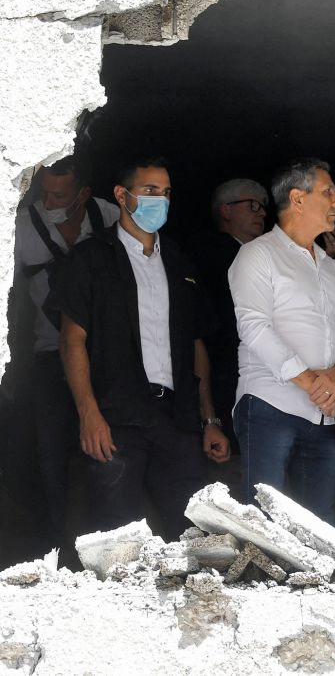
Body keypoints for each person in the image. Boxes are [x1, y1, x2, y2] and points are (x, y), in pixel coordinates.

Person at [53, 157, 230, 538]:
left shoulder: (179, 263)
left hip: (177, 420)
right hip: (116, 418)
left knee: (198, 533)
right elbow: (72, 339)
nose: (160, 200)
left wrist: (209, 420)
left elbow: (196, 342)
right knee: (116, 541)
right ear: (122, 195)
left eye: (166, 193)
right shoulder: (91, 257)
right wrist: (89, 414)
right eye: (150, 190)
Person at [228, 160, 335, 522]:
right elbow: (254, 327)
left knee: (319, 527)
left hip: (322, 416)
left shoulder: (333, 268)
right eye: (328, 192)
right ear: (297, 198)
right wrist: (316, 384)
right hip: (268, 406)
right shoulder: (257, 254)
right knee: (263, 523)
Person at [13, 156, 120, 548]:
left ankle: (106, 545)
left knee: (109, 450)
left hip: (108, 356)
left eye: (61, 194)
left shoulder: (108, 215)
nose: (51, 200)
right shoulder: (22, 224)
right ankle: (57, 547)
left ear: (83, 194)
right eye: (46, 192)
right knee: (51, 453)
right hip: (47, 354)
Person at [188, 178, 269, 437]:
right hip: (227, 370)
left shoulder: (263, 254)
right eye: (253, 206)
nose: (262, 213)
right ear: (226, 210)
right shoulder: (210, 249)